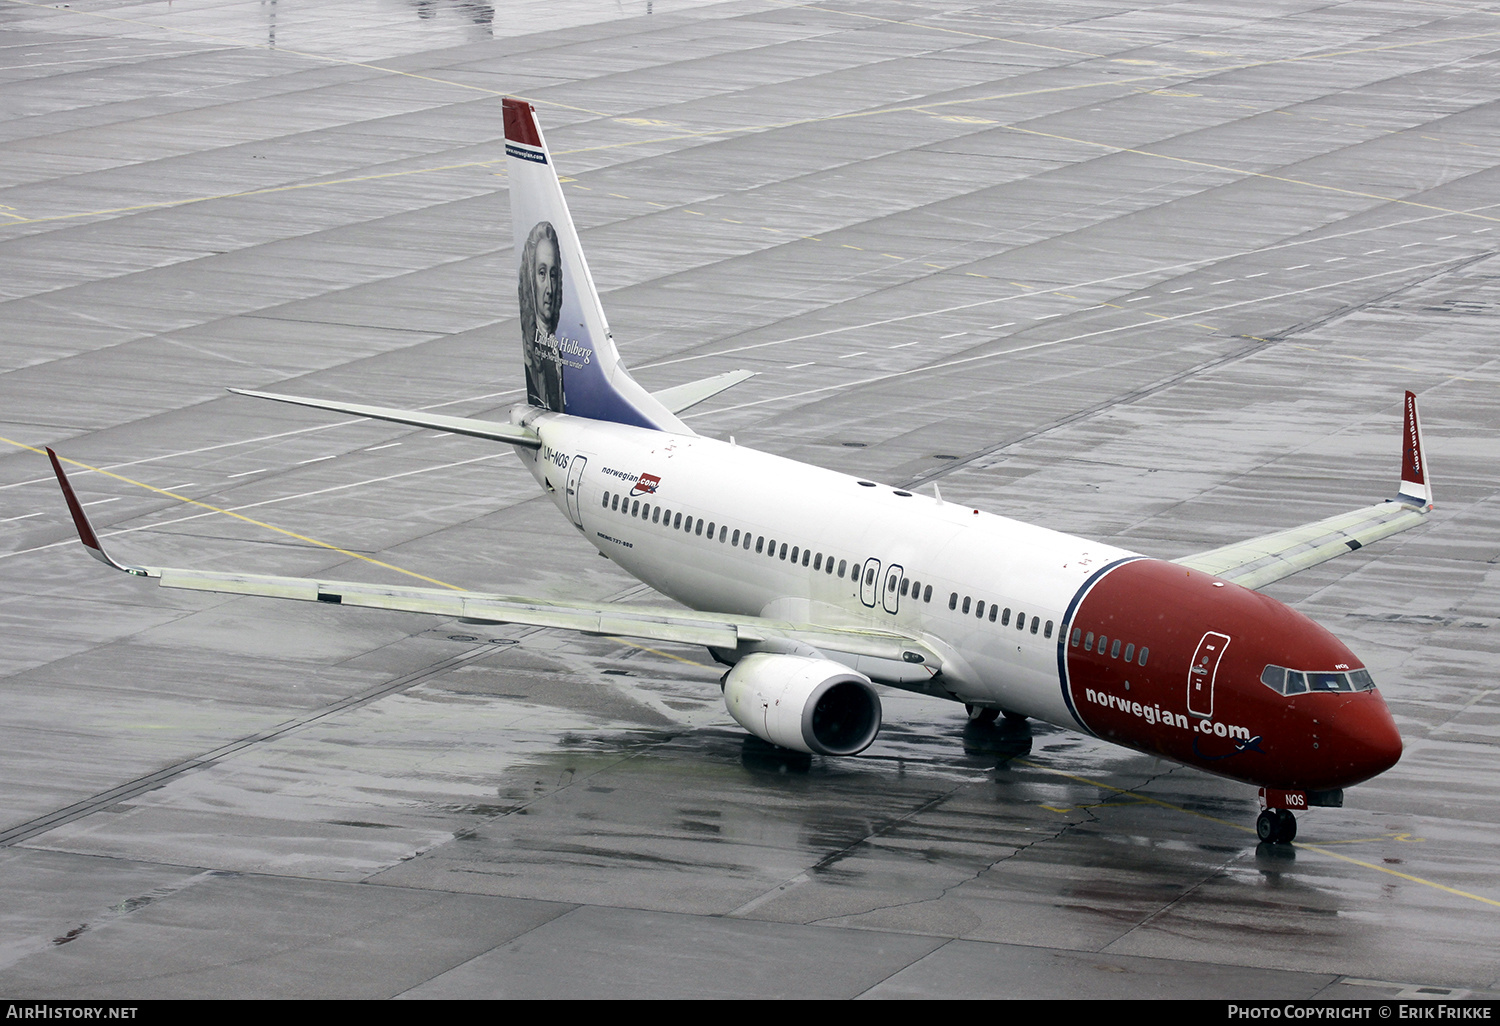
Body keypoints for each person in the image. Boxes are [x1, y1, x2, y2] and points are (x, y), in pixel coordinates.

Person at [518, 220, 564, 411]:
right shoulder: (533, 353)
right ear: (531, 280)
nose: (549, 289)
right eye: (542, 273)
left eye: (553, 275)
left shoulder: (555, 349)